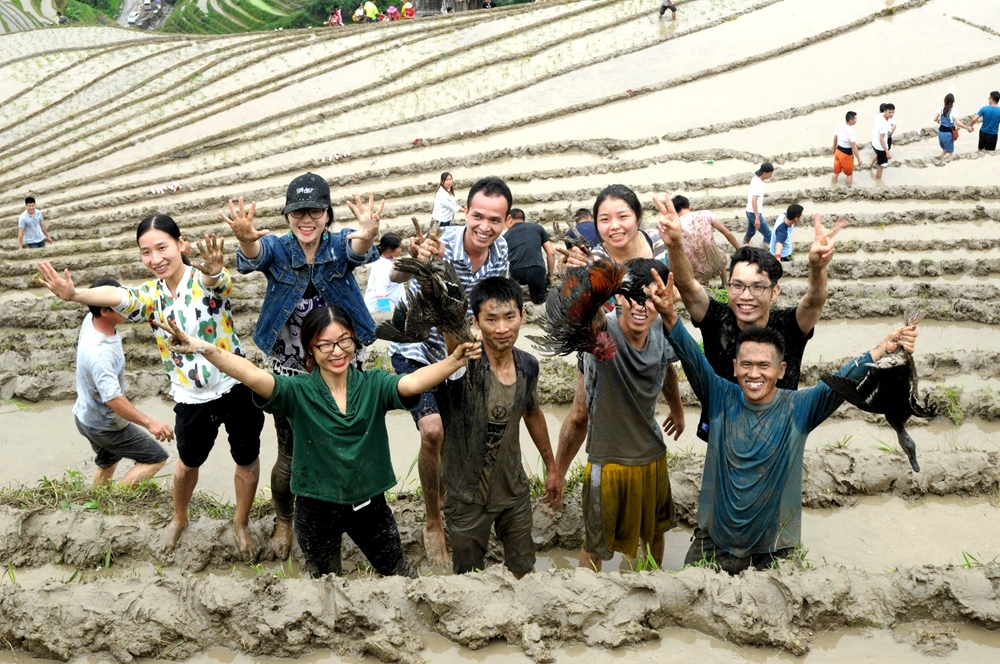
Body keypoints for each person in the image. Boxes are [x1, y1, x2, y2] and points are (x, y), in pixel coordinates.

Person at [156, 306, 480, 578]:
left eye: (344, 341)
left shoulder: (374, 384)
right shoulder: (297, 392)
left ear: (354, 341)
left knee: (398, 571)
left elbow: (412, 382)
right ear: (310, 349)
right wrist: (204, 347)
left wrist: (454, 361)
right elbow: (251, 374)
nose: (337, 351)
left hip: (369, 504)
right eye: (325, 345)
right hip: (315, 508)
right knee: (326, 580)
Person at [648, 269, 917, 574]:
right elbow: (692, 358)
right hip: (714, 541)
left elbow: (840, 381)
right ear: (734, 367)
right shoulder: (719, 396)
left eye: (764, 365)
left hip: (774, 549)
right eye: (746, 364)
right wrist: (669, 315)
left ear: (781, 370)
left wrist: (882, 349)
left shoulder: (799, 407)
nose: (754, 373)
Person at [38, 217, 265, 560]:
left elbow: (217, 283)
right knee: (187, 463)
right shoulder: (151, 296)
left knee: (246, 458)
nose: (155, 258)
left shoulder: (203, 278)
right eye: (146, 252)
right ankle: (179, 518)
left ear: (181, 245)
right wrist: (75, 295)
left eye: (162, 248)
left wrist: (215, 271)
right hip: (190, 396)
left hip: (235, 385)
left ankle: (241, 523)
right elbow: (120, 295)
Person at [223, 174, 382, 560]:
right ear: (287, 216)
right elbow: (255, 254)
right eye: (297, 212)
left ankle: (349, 516)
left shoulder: (338, 245)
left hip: (342, 365)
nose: (306, 219)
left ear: (327, 215)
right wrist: (245, 238)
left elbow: (358, 249)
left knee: (347, 447)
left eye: (314, 211)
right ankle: (285, 520)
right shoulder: (279, 248)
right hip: (292, 370)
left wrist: (367, 234)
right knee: (290, 456)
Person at [389, 176, 512, 566]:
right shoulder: (438, 242)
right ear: (465, 212)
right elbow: (396, 277)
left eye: (495, 219)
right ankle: (432, 522)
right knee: (432, 431)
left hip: (461, 356)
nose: (484, 226)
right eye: (478, 216)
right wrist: (418, 258)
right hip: (417, 353)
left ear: (506, 221)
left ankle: (442, 498)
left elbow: (493, 307)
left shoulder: (500, 252)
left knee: (454, 438)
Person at [655, 194, 844, 442]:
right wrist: (675, 245)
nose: (746, 296)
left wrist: (818, 269)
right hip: (722, 431)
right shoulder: (716, 319)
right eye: (738, 285)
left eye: (758, 287)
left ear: (775, 292)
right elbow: (688, 287)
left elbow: (814, 301)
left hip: (776, 432)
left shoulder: (790, 325)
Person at [555, 185, 678, 509]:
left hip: (649, 338)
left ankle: (639, 470)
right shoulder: (593, 259)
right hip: (602, 346)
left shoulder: (659, 245)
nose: (614, 226)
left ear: (637, 217)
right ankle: (558, 474)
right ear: (595, 223)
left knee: (644, 409)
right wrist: (572, 277)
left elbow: (679, 287)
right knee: (580, 414)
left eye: (622, 216)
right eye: (604, 219)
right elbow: (573, 311)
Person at [437, 277, 559, 577]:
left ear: (523, 316)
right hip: (465, 494)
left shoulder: (528, 366)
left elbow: (533, 413)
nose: (502, 328)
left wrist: (552, 467)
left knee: (524, 569)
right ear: (475, 321)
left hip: (512, 489)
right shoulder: (463, 364)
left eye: (509, 317)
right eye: (491, 319)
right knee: (468, 578)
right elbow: (450, 339)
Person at [577, 259, 683, 571]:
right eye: (632, 296)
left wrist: (677, 409)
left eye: (649, 298)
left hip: (651, 453)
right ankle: (584, 597)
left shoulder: (661, 329)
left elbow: (668, 367)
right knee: (594, 544)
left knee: (655, 533)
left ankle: (651, 584)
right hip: (607, 460)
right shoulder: (601, 329)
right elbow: (584, 312)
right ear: (619, 297)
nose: (640, 306)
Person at [73, 278, 171, 488]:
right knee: (156, 458)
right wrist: (150, 423)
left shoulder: (91, 318)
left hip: (85, 415)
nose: (128, 306)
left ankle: (98, 499)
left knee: (108, 461)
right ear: (105, 311)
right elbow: (113, 399)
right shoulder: (100, 354)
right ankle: (120, 499)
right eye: (121, 304)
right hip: (106, 425)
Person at [671, 195, 740, 287]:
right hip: (717, 262)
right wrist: (739, 249)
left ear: (674, 211)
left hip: (696, 271)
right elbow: (727, 233)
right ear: (689, 206)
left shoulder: (675, 225)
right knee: (717, 251)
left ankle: (706, 289)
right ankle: (724, 283)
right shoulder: (705, 214)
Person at [504, 208, 554, 305]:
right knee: (540, 303)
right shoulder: (537, 228)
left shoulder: (505, 236)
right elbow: (551, 253)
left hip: (517, 272)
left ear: (509, 219)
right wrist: (550, 276)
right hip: (536, 270)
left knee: (515, 302)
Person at [364, 232, 405, 314]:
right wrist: (386, 313)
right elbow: (381, 291)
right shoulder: (382, 266)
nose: (401, 249)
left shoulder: (388, 260)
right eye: (399, 247)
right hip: (379, 310)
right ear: (389, 249)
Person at [934, 93, 972, 158]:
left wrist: (939, 119)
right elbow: (958, 123)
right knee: (949, 151)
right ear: (953, 102)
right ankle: (943, 161)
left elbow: (935, 119)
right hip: (947, 134)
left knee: (945, 148)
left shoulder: (940, 108)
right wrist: (967, 128)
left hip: (940, 133)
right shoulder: (954, 110)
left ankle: (940, 157)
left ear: (944, 100)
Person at [744, 163, 773, 246]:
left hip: (749, 211)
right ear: (764, 173)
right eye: (770, 174)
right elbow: (754, 200)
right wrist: (757, 217)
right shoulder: (759, 184)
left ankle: (744, 245)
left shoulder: (755, 179)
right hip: (754, 213)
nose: (771, 176)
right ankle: (764, 251)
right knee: (768, 234)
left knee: (751, 231)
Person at [832, 111, 863, 185]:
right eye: (855, 119)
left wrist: (834, 150)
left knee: (836, 172)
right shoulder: (852, 132)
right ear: (851, 120)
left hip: (838, 151)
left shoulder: (839, 127)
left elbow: (835, 140)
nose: (856, 120)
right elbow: (854, 147)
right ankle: (848, 189)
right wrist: (859, 158)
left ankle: (832, 187)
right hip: (846, 154)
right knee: (849, 174)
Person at [870, 104, 893, 179]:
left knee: (878, 155)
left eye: (893, 112)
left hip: (874, 143)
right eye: (889, 112)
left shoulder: (878, 116)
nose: (891, 114)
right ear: (885, 112)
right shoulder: (884, 124)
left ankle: (870, 165)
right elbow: (882, 139)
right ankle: (878, 182)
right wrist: (887, 151)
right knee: (881, 166)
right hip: (881, 147)